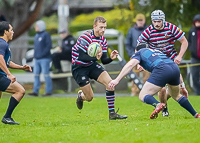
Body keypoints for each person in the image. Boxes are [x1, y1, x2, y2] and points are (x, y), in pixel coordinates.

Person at [108, 43, 200, 119]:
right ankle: (196, 114)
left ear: (137, 50)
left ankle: (158, 104)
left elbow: (130, 65)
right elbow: (172, 66)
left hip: (162, 69)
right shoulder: (157, 52)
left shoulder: (139, 52)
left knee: (142, 95)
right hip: (174, 68)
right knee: (176, 95)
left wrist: (117, 80)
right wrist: (183, 87)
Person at [72, 16, 127, 120]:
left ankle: (112, 114)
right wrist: (95, 57)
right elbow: (81, 56)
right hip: (79, 67)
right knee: (89, 97)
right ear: (94, 26)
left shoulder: (103, 40)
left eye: (105, 27)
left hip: (91, 65)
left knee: (110, 84)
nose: (103, 30)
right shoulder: (85, 37)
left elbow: (103, 60)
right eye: (101, 27)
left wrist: (111, 58)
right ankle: (81, 96)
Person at [137, 10, 189, 117]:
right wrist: (139, 63)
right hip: (157, 61)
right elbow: (139, 47)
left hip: (171, 59)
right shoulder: (148, 31)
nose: (156, 24)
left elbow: (184, 41)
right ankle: (164, 109)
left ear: (163, 20)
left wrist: (179, 56)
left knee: (176, 89)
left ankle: (164, 101)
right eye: (154, 21)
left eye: (159, 21)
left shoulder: (171, 28)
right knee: (162, 88)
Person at [0, 21, 32, 125]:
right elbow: (0, 59)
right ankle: (7, 117)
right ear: (5, 32)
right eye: (11, 30)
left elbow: (7, 62)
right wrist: (9, 74)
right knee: (20, 91)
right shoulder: (2, 43)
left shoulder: (3, 44)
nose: (13, 32)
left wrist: (21, 67)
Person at [125, 13, 149, 96]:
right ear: (136, 21)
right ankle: (134, 92)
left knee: (147, 75)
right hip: (134, 56)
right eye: (139, 20)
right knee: (134, 75)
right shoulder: (131, 31)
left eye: (141, 20)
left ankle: (147, 92)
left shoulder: (148, 30)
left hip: (146, 56)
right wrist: (131, 54)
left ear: (144, 21)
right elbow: (127, 44)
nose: (140, 22)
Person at [28, 20, 52, 97]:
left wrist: (42, 54)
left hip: (44, 58)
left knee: (46, 74)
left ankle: (48, 91)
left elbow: (48, 46)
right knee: (36, 75)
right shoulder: (36, 36)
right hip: (37, 59)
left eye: (37, 26)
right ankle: (35, 91)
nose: (36, 27)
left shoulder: (46, 35)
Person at [188, 14, 200, 95]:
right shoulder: (191, 31)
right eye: (196, 22)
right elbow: (189, 41)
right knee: (194, 76)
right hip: (194, 57)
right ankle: (197, 92)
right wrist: (191, 49)